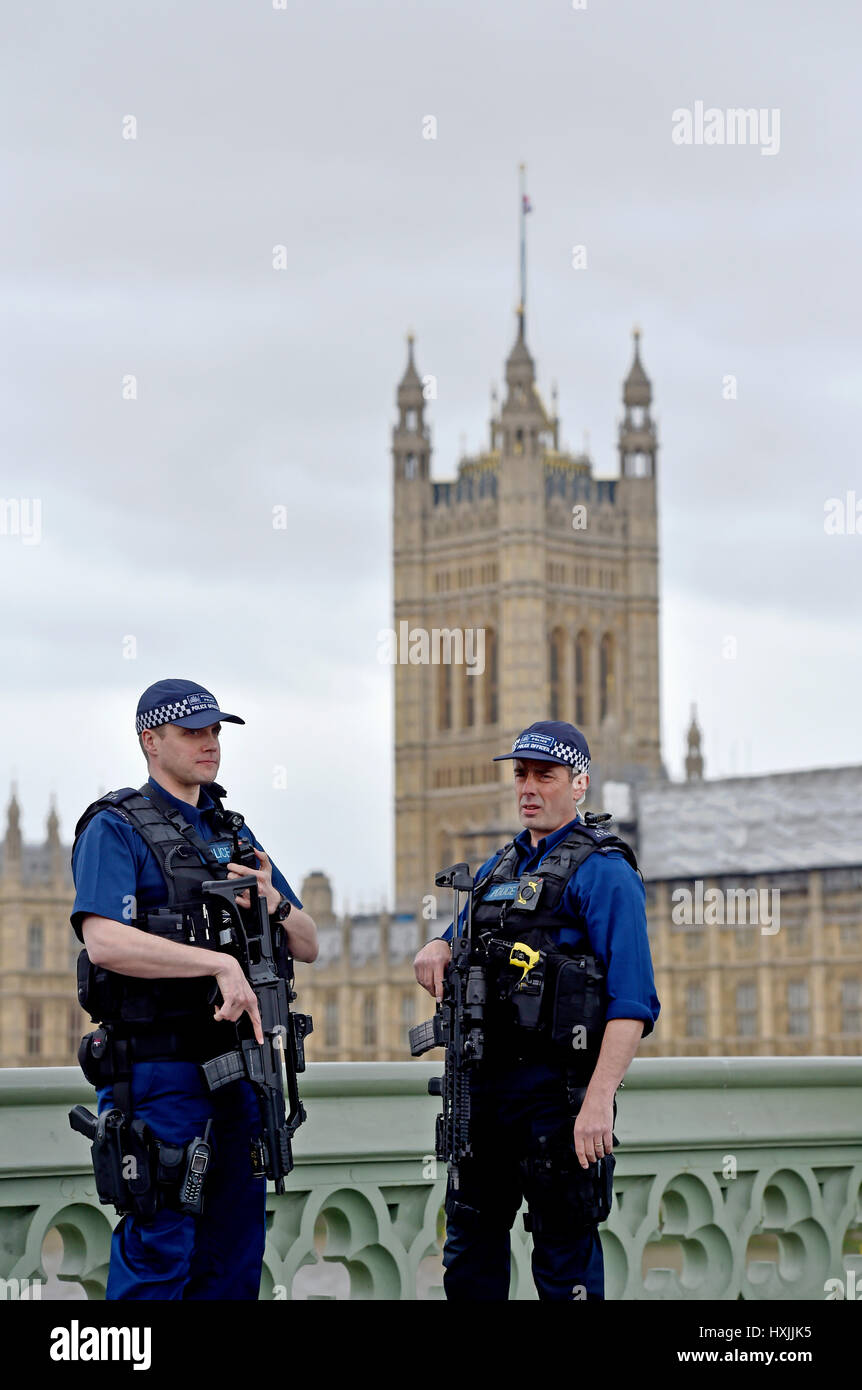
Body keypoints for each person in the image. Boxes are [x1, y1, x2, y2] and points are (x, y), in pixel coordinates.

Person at [70, 678, 318, 1300]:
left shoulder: (232, 832)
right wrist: (214, 965)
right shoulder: (116, 826)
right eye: (193, 732)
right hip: (160, 1075)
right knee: (160, 1253)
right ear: (150, 741)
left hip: (239, 1073)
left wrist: (275, 905)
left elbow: (311, 943)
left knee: (233, 1261)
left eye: (215, 731)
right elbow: (104, 941)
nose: (210, 744)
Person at [413, 719, 659, 1301]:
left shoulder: (604, 872)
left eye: (543, 775)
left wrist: (599, 1103)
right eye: (520, 774)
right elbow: (462, 939)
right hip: (483, 1093)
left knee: (563, 1263)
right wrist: (438, 943)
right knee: (469, 1256)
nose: (527, 786)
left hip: (558, 1100)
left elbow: (633, 1003)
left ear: (579, 783)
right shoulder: (500, 869)